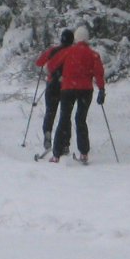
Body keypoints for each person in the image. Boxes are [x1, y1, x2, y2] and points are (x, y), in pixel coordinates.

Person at [49, 23, 105, 163]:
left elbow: (51, 65)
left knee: (64, 118)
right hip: (86, 90)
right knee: (81, 120)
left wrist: (58, 75)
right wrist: (101, 90)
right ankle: (84, 153)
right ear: (87, 39)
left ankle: (56, 154)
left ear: (76, 38)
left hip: (68, 89)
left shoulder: (68, 51)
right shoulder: (93, 54)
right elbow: (99, 73)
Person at [34, 29, 73, 155]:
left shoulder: (53, 50)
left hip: (52, 84)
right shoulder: (73, 52)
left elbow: (39, 62)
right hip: (67, 86)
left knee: (50, 111)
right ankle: (65, 143)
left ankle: (47, 134)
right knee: (65, 115)